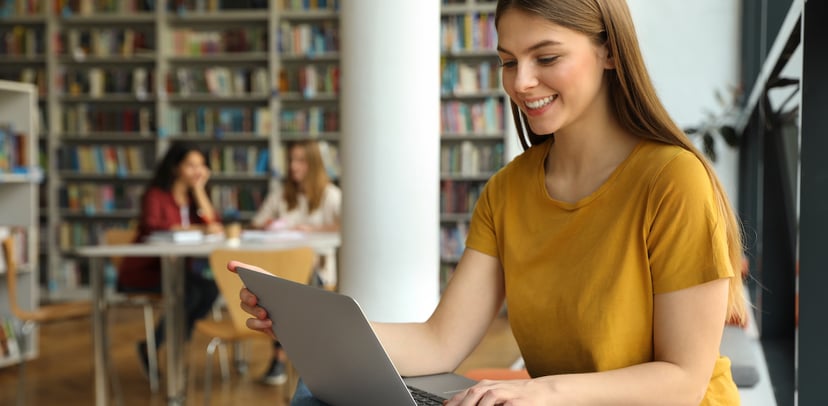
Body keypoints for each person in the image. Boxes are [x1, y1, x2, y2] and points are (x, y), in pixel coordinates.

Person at [236, 0, 747, 404]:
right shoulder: (507, 191)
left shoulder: (673, 180)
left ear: (609, 50)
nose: (521, 82)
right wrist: (308, 323)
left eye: (546, 58)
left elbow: (683, 382)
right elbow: (439, 341)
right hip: (551, 403)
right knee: (315, 392)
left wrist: (541, 390)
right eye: (508, 61)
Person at [118, 142, 222, 378]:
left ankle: (167, 343)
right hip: (148, 271)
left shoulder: (194, 199)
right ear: (176, 167)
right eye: (190, 165)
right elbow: (154, 226)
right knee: (188, 293)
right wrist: (198, 229)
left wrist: (199, 190)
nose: (196, 170)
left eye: (201, 165)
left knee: (211, 289)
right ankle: (161, 346)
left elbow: (214, 225)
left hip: (178, 271)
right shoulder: (156, 195)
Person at [250, 139, 341, 385]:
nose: (293, 166)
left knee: (289, 291)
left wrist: (314, 229)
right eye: (291, 160)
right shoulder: (282, 194)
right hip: (282, 272)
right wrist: (267, 226)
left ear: (313, 164)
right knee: (278, 290)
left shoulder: (330, 195)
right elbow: (257, 224)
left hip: (318, 271)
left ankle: (281, 359)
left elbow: (348, 224)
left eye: (300, 160)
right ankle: (295, 362)